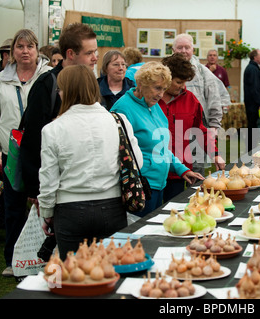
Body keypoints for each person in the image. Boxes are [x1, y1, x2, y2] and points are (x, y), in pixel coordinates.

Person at [37, 64, 142, 259]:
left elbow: (48, 178)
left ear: (66, 92)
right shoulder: (118, 121)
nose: (58, 93)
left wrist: (47, 212)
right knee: (111, 271)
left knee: (73, 274)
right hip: (112, 207)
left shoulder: (53, 129)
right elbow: (137, 163)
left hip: (69, 209)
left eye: (60, 89)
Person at [0, 29, 52, 277]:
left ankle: (43, 258)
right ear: (13, 51)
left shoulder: (48, 76)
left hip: (42, 150)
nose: (25, 51)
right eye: (20, 46)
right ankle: (13, 260)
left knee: (43, 205)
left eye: (30, 46)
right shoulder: (2, 78)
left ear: (37, 49)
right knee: (13, 208)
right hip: (11, 152)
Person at [20, 22, 98, 213]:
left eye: (95, 52)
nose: (95, 58)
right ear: (71, 54)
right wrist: (36, 189)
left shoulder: (90, 83)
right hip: (57, 185)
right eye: (89, 53)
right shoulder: (47, 85)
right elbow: (31, 138)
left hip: (88, 183)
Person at [111, 62, 204, 217]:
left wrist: (182, 169)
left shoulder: (153, 106)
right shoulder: (123, 109)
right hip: (139, 187)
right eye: (157, 88)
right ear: (141, 84)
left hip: (158, 185)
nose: (161, 94)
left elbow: (161, 148)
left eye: (164, 89)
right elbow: (118, 154)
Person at [159, 53, 225, 202]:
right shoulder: (151, 100)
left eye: (185, 82)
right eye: (178, 82)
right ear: (166, 78)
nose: (183, 86)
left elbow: (201, 130)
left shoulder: (191, 100)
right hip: (152, 171)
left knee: (173, 210)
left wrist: (215, 153)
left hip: (179, 171)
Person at [172, 33, 229, 175]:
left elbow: (215, 98)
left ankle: (195, 196)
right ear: (173, 50)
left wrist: (214, 126)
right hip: (172, 130)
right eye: (180, 48)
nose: (184, 51)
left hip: (197, 129)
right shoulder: (165, 69)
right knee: (173, 170)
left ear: (193, 50)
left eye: (187, 47)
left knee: (197, 169)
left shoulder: (203, 72)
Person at [243, 49, 260, 153]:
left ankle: (252, 149)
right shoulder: (252, 69)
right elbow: (254, 88)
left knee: (253, 128)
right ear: (254, 57)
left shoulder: (254, 68)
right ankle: (251, 151)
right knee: (252, 127)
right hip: (253, 104)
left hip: (252, 103)